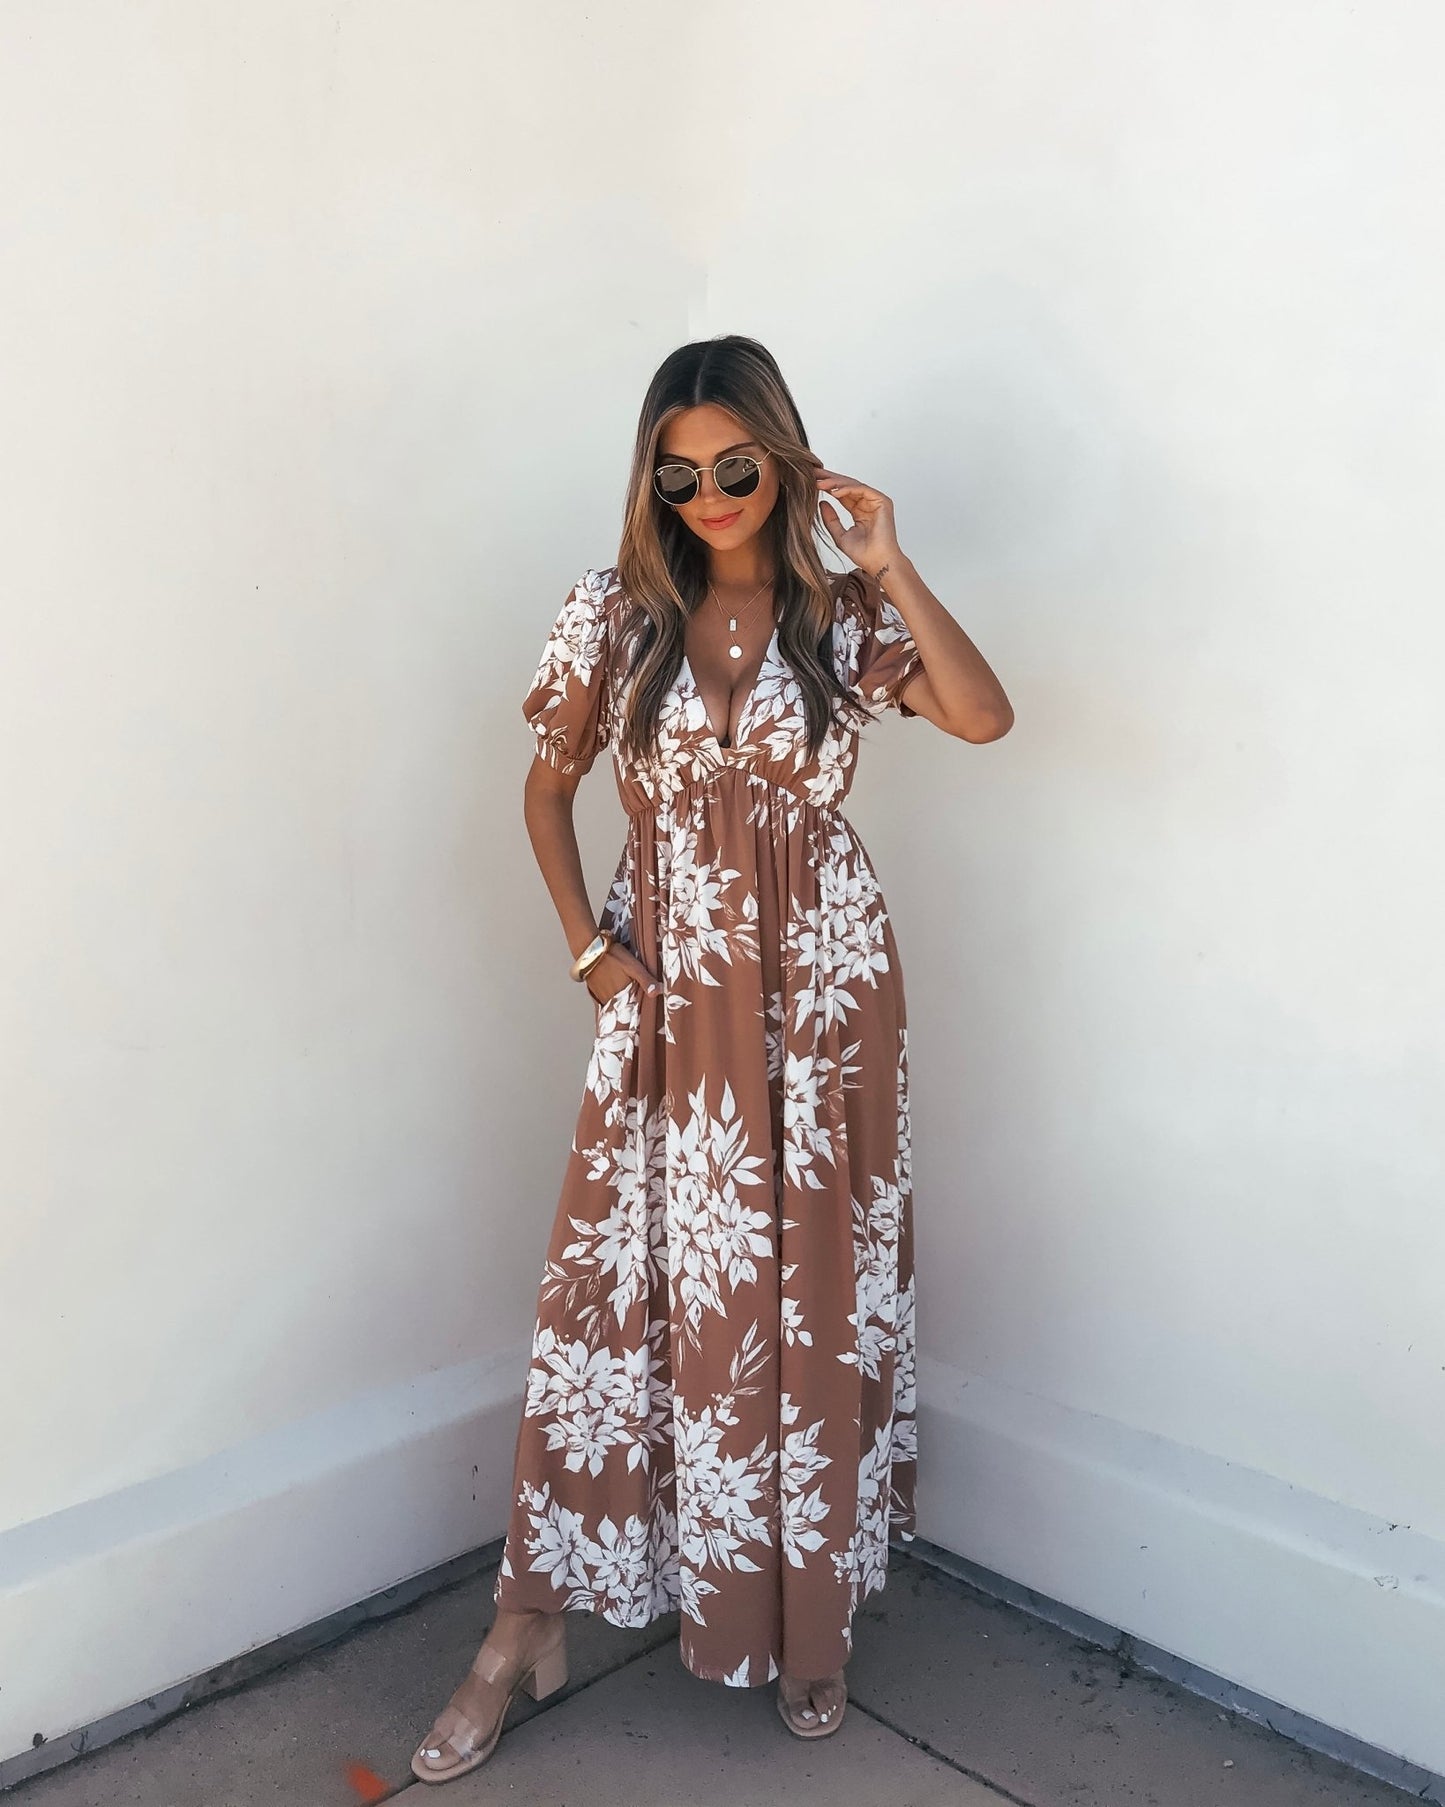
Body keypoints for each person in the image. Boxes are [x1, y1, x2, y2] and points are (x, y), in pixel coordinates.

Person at [411, 335, 1013, 1783]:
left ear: (782, 459)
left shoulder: (837, 620)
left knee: (803, 1297)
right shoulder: (612, 618)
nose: (709, 496)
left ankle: (809, 1629)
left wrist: (887, 561)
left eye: (737, 468)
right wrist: (589, 957)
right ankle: (524, 1625)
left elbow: (984, 715)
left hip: (825, 1003)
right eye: (678, 475)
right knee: (619, 1300)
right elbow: (545, 797)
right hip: (670, 995)